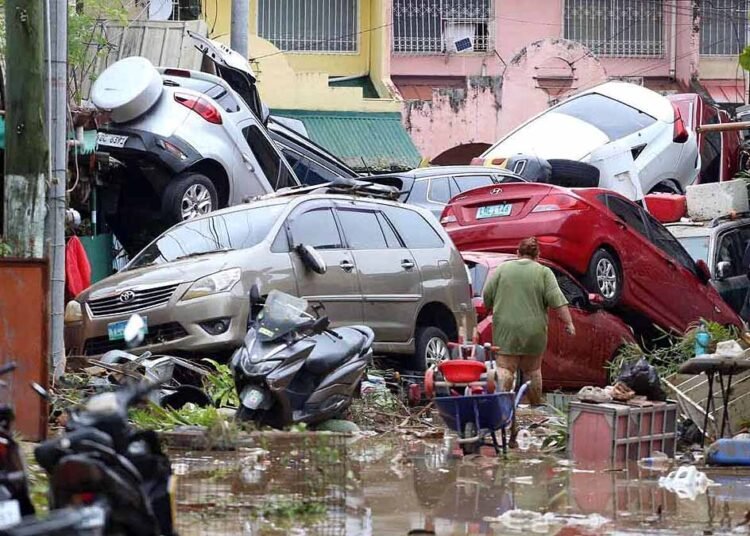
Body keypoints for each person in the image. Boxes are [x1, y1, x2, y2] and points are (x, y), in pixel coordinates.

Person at [482, 237, 575, 405]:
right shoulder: (544, 272)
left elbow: (487, 296)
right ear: (538, 255)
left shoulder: (502, 269)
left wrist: (489, 307)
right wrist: (569, 323)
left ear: (517, 253)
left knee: (505, 368)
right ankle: (535, 406)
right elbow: (557, 300)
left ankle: (501, 406)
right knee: (532, 370)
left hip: (506, 329)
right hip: (534, 330)